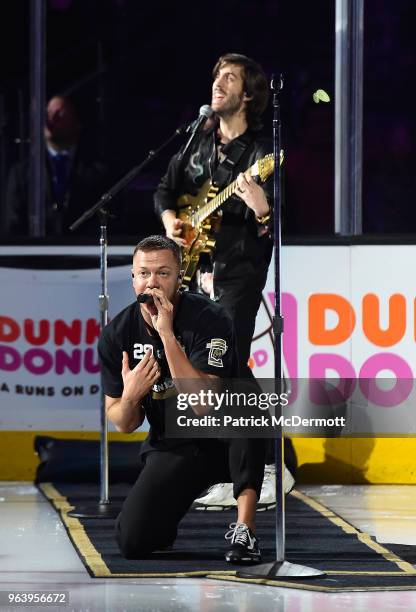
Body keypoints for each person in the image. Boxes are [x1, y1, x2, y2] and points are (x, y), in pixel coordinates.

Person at [154, 53, 295, 509]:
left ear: (248, 95)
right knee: (210, 368)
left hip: (239, 271)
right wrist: (172, 219)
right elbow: (163, 189)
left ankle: (269, 464)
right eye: (216, 75)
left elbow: (279, 223)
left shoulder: (262, 152)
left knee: (228, 361)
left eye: (229, 78)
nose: (218, 84)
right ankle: (240, 466)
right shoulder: (198, 139)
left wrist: (262, 209)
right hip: (197, 270)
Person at [98, 235, 266, 564]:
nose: (152, 283)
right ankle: (169, 512)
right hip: (175, 441)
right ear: (132, 278)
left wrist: (166, 335)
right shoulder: (117, 334)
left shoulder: (210, 318)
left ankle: (246, 528)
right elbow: (122, 423)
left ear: (179, 277)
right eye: (143, 273)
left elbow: (203, 402)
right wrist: (131, 397)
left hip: (226, 433)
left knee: (246, 402)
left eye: (163, 273)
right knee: (132, 541)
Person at [3, 95, 109, 237]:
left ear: (77, 122)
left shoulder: (98, 171)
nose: (51, 119)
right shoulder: (21, 173)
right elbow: (12, 226)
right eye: (47, 113)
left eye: (60, 113)